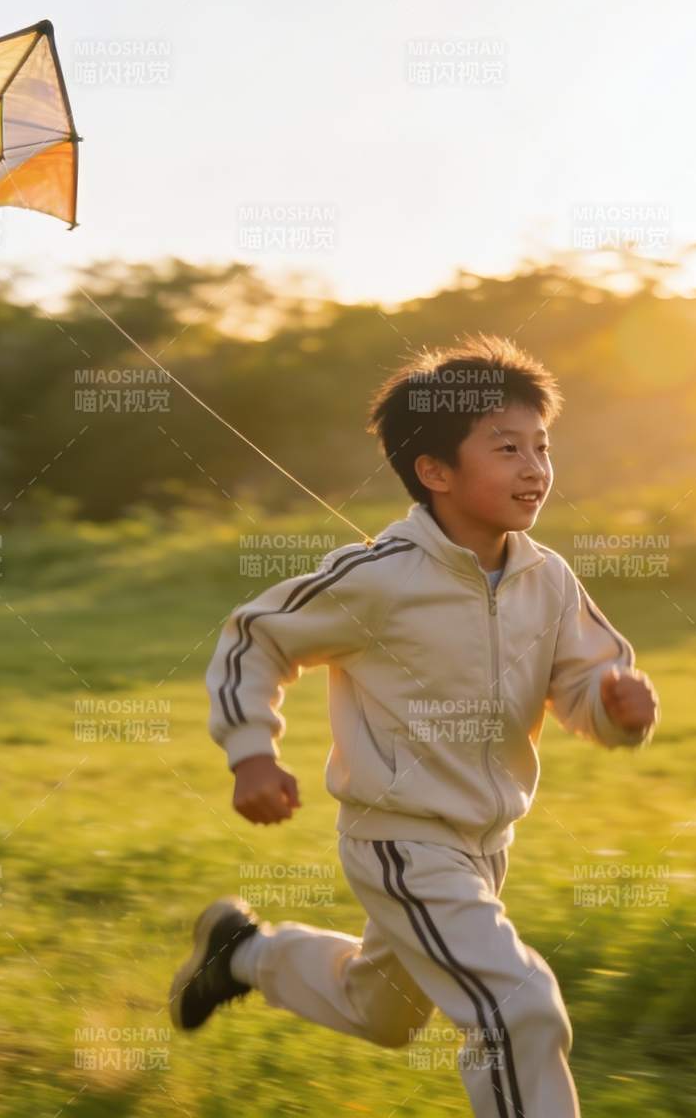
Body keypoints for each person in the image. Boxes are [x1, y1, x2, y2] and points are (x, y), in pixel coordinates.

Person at [169, 334, 661, 1118]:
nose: (535, 467)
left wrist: (617, 709)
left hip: (486, 843)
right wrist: (250, 753)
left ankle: (244, 952)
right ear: (434, 472)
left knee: (382, 1012)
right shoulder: (379, 579)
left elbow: (585, 684)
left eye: (542, 445)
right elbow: (254, 637)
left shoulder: (549, 579)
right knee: (518, 1008)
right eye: (507, 448)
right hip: (400, 839)